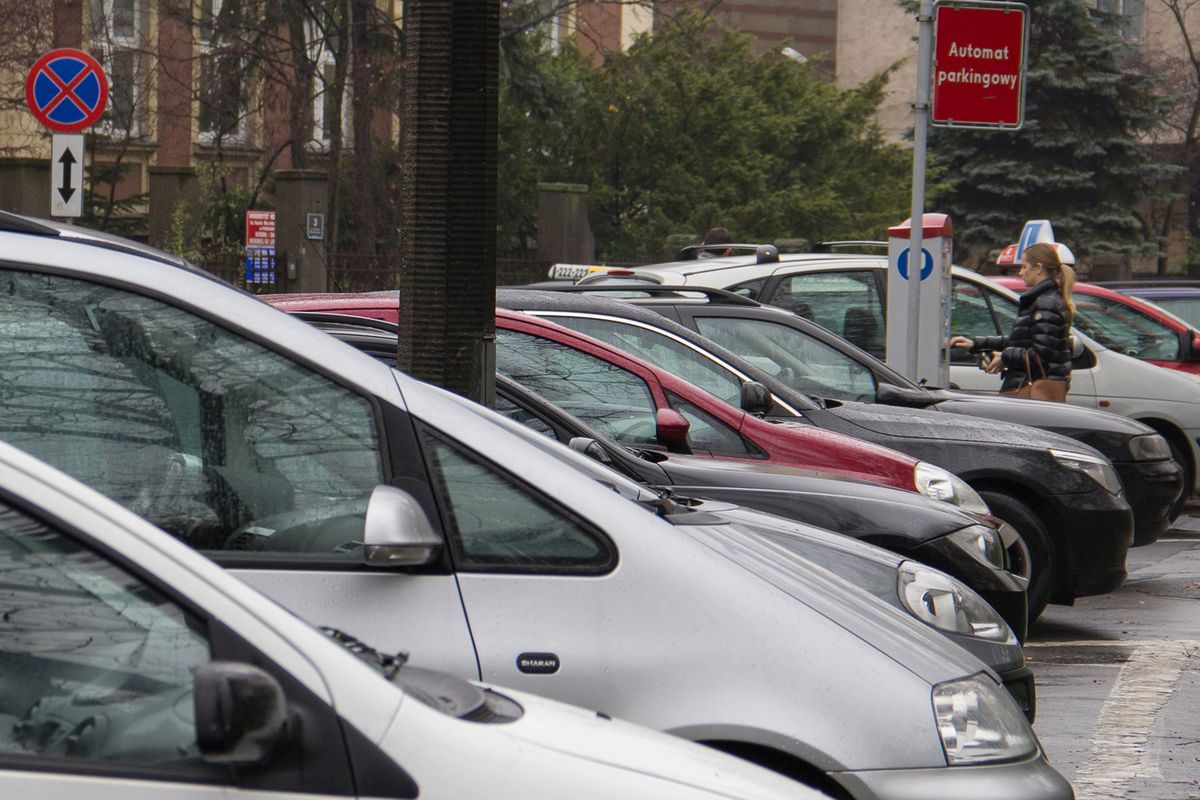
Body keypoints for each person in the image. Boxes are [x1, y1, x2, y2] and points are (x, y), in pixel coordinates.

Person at [949, 242, 1075, 400]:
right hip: (1029, 386)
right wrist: (977, 344)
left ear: (1038, 268)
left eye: (1024, 267)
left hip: (1033, 388)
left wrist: (1005, 357)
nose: (1021, 272)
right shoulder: (1042, 300)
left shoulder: (1046, 304)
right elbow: (1022, 341)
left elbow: (1040, 355)